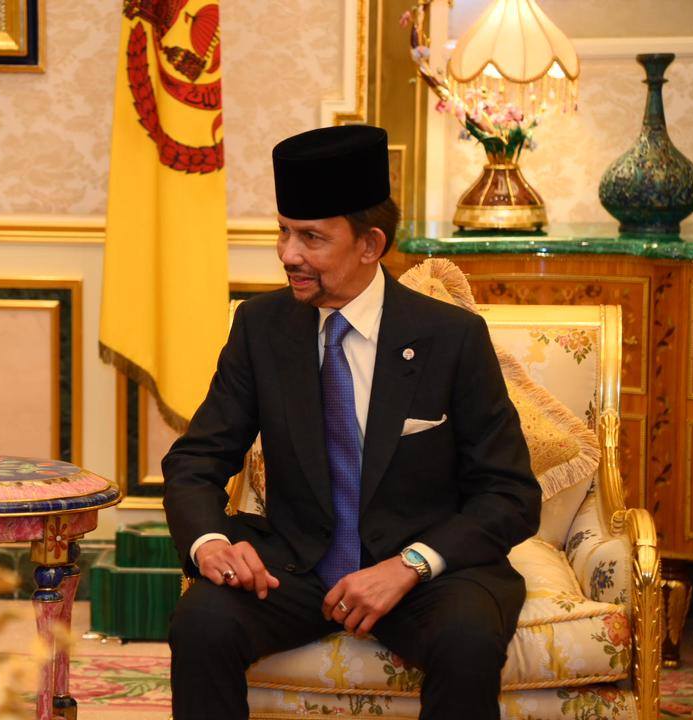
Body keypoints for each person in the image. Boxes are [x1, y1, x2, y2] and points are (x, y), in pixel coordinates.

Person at [162, 124, 541, 720]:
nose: (288, 255)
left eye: (311, 237)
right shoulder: (261, 327)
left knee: (466, 641)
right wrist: (211, 542)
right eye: (284, 231)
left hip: (424, 571)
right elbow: (195, 461)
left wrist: (411, 565)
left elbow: (510, 494)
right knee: (201, 623)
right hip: (295, 566)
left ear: (370, 245)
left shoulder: (451, 338)